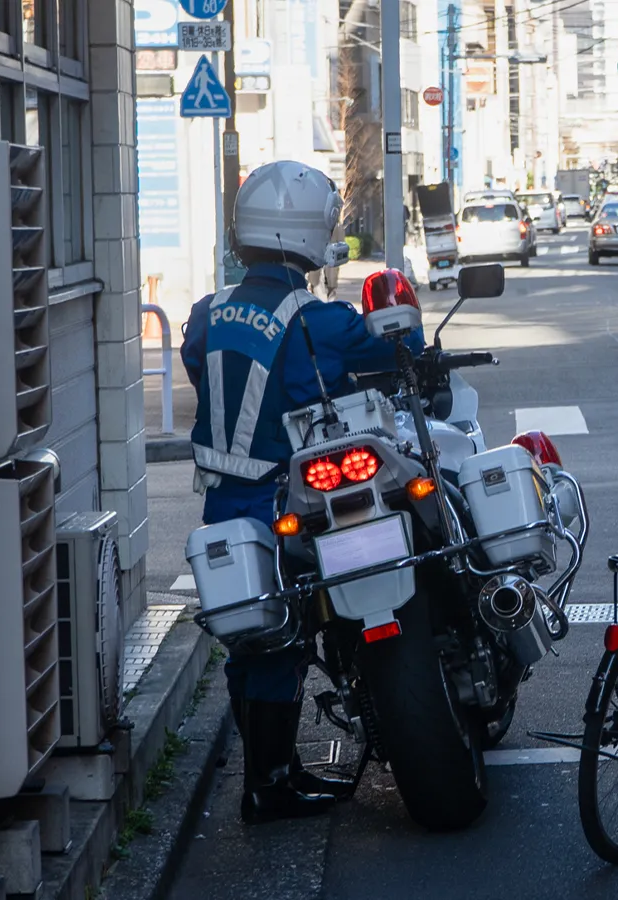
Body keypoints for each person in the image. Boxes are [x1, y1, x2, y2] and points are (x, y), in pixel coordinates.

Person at [180, 160, 425, 824]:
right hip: (285, 500)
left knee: (249, 634)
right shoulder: (318, 319)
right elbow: (394, 354)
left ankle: (267, 775)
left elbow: (201, 370)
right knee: (286, 639)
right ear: (312, 234)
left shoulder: (206, 314)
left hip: (222, 503)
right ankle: (273, 786)